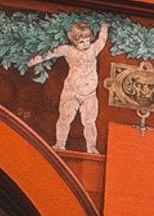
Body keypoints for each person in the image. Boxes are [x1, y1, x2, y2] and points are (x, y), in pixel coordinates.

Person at [27, 22, 109, 153]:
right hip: (71, 91)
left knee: (89, 121)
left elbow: (102, 39)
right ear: (73, 41)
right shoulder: (67, 50)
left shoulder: (93, 49)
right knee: (65, 118)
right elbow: (50, 53)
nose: (86, 44)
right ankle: (60, 143)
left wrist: (104, 26)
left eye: (88, 40)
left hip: (89, 94)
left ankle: (91, 147)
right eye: (82, 42)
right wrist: (35, 60)